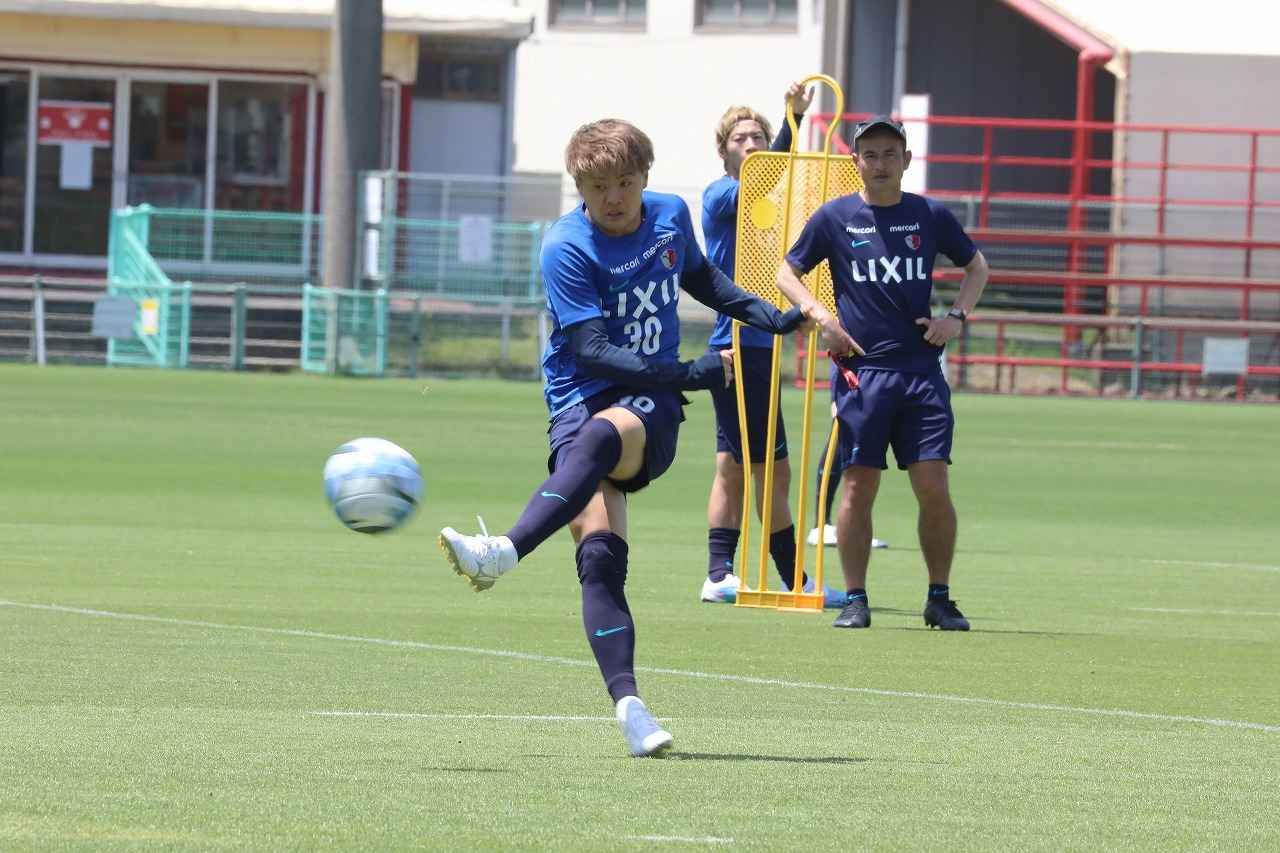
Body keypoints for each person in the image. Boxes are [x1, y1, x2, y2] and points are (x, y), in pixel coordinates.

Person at [438, 118, 811, 756]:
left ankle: (503, 551)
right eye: (598, 185)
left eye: (625, 182)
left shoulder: (669, 214)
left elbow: (701, 278)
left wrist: (768, 317)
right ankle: (632, 709)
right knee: (600, 561)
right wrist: (690, 372)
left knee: (605, 439)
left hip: (648, 408)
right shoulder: (565, 246)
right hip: (582, 395)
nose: (614, 196)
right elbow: (591, 349)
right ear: (579, 186)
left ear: (646, 177)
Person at [775, 115, 990, 631]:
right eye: (869, 154)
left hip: (919, 373)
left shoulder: (929, 215)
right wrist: (822, 318)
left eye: (890, 154)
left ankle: (939, 597)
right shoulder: (834, 217)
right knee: (857, 485)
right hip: (861, 374)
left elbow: (976, 267)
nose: (879, 163)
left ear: (907, 161)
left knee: (933, 484)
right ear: (856, 162)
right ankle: (856, 598)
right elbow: (788, 272)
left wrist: (954, 319)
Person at [698, 82, 844, 608]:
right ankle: (793, 578)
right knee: (770, 469)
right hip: (738, 342)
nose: (752, 144)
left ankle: (719, 573)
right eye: (742, 138)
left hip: (760, 342)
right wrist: (792, 121)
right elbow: (765, 180)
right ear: (725, 150)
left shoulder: (767, 206)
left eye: (758, 135)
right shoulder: (722, 195)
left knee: (734, 467)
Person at [806, 401, 889, 551]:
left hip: (873, 380)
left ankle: (856, 529)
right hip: (852, 380)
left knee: (863, 432)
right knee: (842, 431)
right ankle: (821, 526)